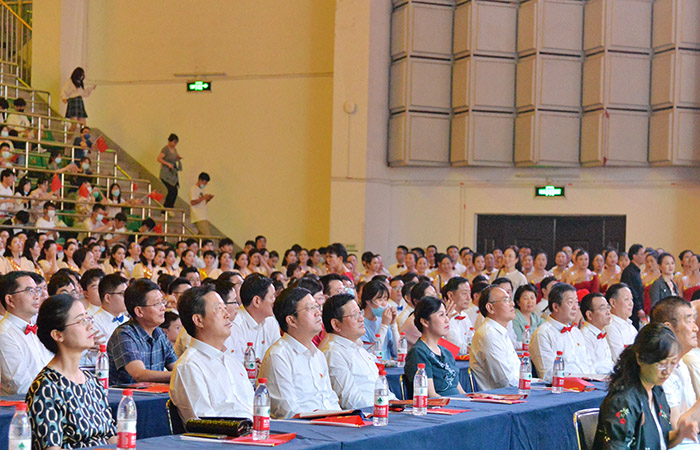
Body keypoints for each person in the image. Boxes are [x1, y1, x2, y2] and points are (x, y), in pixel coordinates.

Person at [27, 294, 117, 449]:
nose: (90, 326)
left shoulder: (91, 380)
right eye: (81, 321)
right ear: (58, 335)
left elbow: (111, 436)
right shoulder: (46, 387)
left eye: (88, 318)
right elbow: (52, 447)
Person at [592, 323, 698, 449]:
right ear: (640, 359)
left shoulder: (657, 391)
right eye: (661, 364)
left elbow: (660, 441)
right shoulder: (623, 401)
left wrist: (680, 434)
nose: (667, 371)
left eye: (673, 363)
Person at [170, 284, 254, 422]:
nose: (227, 315)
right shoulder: (190, 366)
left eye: (225, 308)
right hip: (227, 434)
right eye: (219, 309)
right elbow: (203, 424)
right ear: (198, 320)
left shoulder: (233, 361)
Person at [259, 287, 341, 419]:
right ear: (291, 320)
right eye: (310, 308)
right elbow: (289, 413)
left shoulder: (318, 355)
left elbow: (330, 399)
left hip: (329, 423)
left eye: (317, 306)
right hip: (305, 426)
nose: (318, 313)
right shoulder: (278, 356)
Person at [321, 293, 396, 409]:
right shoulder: (333, 353)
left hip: (384, 409)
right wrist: (385, 409)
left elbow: (383, 391)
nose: (361, 318)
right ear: (336, 325)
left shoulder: (359, 349)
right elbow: (351, 402)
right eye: (354, 315)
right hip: (370, 414)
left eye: (360, 313)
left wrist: (399, 405)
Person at [650, 296, 700, 446]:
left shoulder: (680, 364)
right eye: (689, 321)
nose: (696, 328)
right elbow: (675, 430)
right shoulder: (661, 371)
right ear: (669, 328)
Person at [106, 279, 177, 385]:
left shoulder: (159, 333)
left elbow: (175, 366)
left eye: (162, 302)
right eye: (156, 304)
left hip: (155, 393)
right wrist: (180, 375)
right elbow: (139, 374)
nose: (163, 308)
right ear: (139, 311)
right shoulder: (124, 335)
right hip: (127, 394)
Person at [0, 271, 53, 395]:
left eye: (37, 290)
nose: (37, 296)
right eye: (30, 291)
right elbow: (19, 386)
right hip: (25, 403)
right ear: (10, 300)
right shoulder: (4, 334)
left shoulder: (37, 325)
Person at [405, 296, 466, 398]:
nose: (447, 320)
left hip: (456, 403)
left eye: (446, 315)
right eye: (441, 315)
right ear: (425, 322)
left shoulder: (446, 352)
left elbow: (459, 390)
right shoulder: (419, 353)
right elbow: (431, 396)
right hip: (440, 406)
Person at [530, 282, 592, 380]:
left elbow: (587, 364)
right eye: (570, 302)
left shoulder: (576, 332)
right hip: (565, 386)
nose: (575, 307)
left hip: (587, 383)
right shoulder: (542, 334)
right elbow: (548, 374)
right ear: (556, 307)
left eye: (576, 302)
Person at [470, 286, 521, 390]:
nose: (512, 304)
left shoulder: (499, 332)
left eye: (510, 299)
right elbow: (506, 383)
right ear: (490, 308)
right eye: (505, 300)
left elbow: (517, 375)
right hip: (500, 397)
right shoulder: (489, 335)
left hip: (515, 391)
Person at [229, 274, 281, 361]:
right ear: (257, 301)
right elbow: (232, 363)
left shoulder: (271, 321)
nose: (275, 301)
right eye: (272, 297)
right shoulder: (234, 325)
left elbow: (277, 356)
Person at [360, 279, 399, 360]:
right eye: (380, 300)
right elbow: (371, 355)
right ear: (368, 301)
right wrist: (384, 326)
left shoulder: (384, 319)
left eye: (385, 299)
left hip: (388, 366)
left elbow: (397, 352)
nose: (384, 304)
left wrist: (393, 324)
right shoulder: (360, 323)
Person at [579, 292, 614, 375]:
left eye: (608, 307)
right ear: (589, 315)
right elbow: (590, 368)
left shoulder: (601, 332)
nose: (608, 312)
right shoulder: (584, 336)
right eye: (603, 308)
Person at [606, 283, 638, 361]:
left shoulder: (631, 326)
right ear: (613, 303)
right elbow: (619, 359)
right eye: (626, 299)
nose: (631, 303)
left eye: (631, 299)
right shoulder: (610, 326)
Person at [92, 273, 129, 342]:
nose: (127, 298)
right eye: (123, 294)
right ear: (108, 298)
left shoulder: (127, 321)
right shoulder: (94, 324)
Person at [442, 276, 474, 355]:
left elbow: (472, 339)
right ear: (450, 295)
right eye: (464, 293)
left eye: (469, 293)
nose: (468, 298)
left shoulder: (465, 315)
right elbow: (457, 349)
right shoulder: (444, 317)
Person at [61, 67, 96, 133]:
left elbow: (84, 93)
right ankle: (67, 137)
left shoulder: (79, 83)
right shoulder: (70, 82)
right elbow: (64, 91)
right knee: (74, 125)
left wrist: (91, 88)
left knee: (83, 125)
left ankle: (83, 138)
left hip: (79, 101)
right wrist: (64, 98)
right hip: (73, 101)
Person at [621, 243, 646, 328]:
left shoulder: (636, 271)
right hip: (632, 310)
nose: (644, 256)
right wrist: (639, 308)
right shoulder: (629, 272)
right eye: (642, 254)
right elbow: (632, 291)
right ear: (634, 256)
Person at [157, 133, 182, 208]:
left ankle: (170, 206)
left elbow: (173, 160)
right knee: (171, 190)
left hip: (172, 173)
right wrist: (167, 164)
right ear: (170, 141)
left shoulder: (175, 150)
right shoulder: (166, 149)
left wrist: (177, 159)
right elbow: (159, 159)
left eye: (176, 143)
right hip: (166, 173)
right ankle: (166, 207)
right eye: (174, 142)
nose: (175, 144)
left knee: (175, 191)